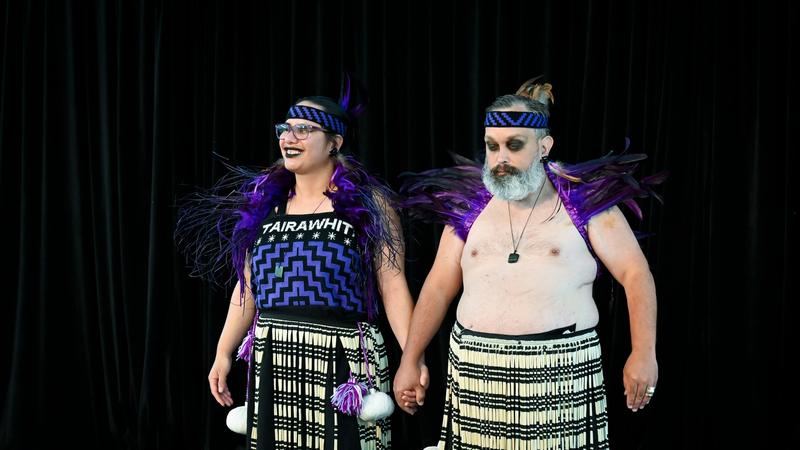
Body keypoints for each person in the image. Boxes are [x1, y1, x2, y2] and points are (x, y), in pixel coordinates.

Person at [393, 78, 663, 449]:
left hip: (561, 377)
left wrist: (643, 352)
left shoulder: (585, 207)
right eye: (492, 147)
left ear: (544, 146)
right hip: (476, 375)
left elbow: (636, 274)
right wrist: (411, 358)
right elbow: (438, 287)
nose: (500, 158)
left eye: (514, 145)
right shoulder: (469, 212)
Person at [176, 77, 425, 450]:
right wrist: (223, 352)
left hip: (343, 363)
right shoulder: (264, 206)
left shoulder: (370, 204)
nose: (289, 137)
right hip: (273, 360)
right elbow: (247, 289)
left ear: (335, 143)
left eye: (304, 129)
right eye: (286, 128)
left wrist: (414, 357)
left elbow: (392, 285)